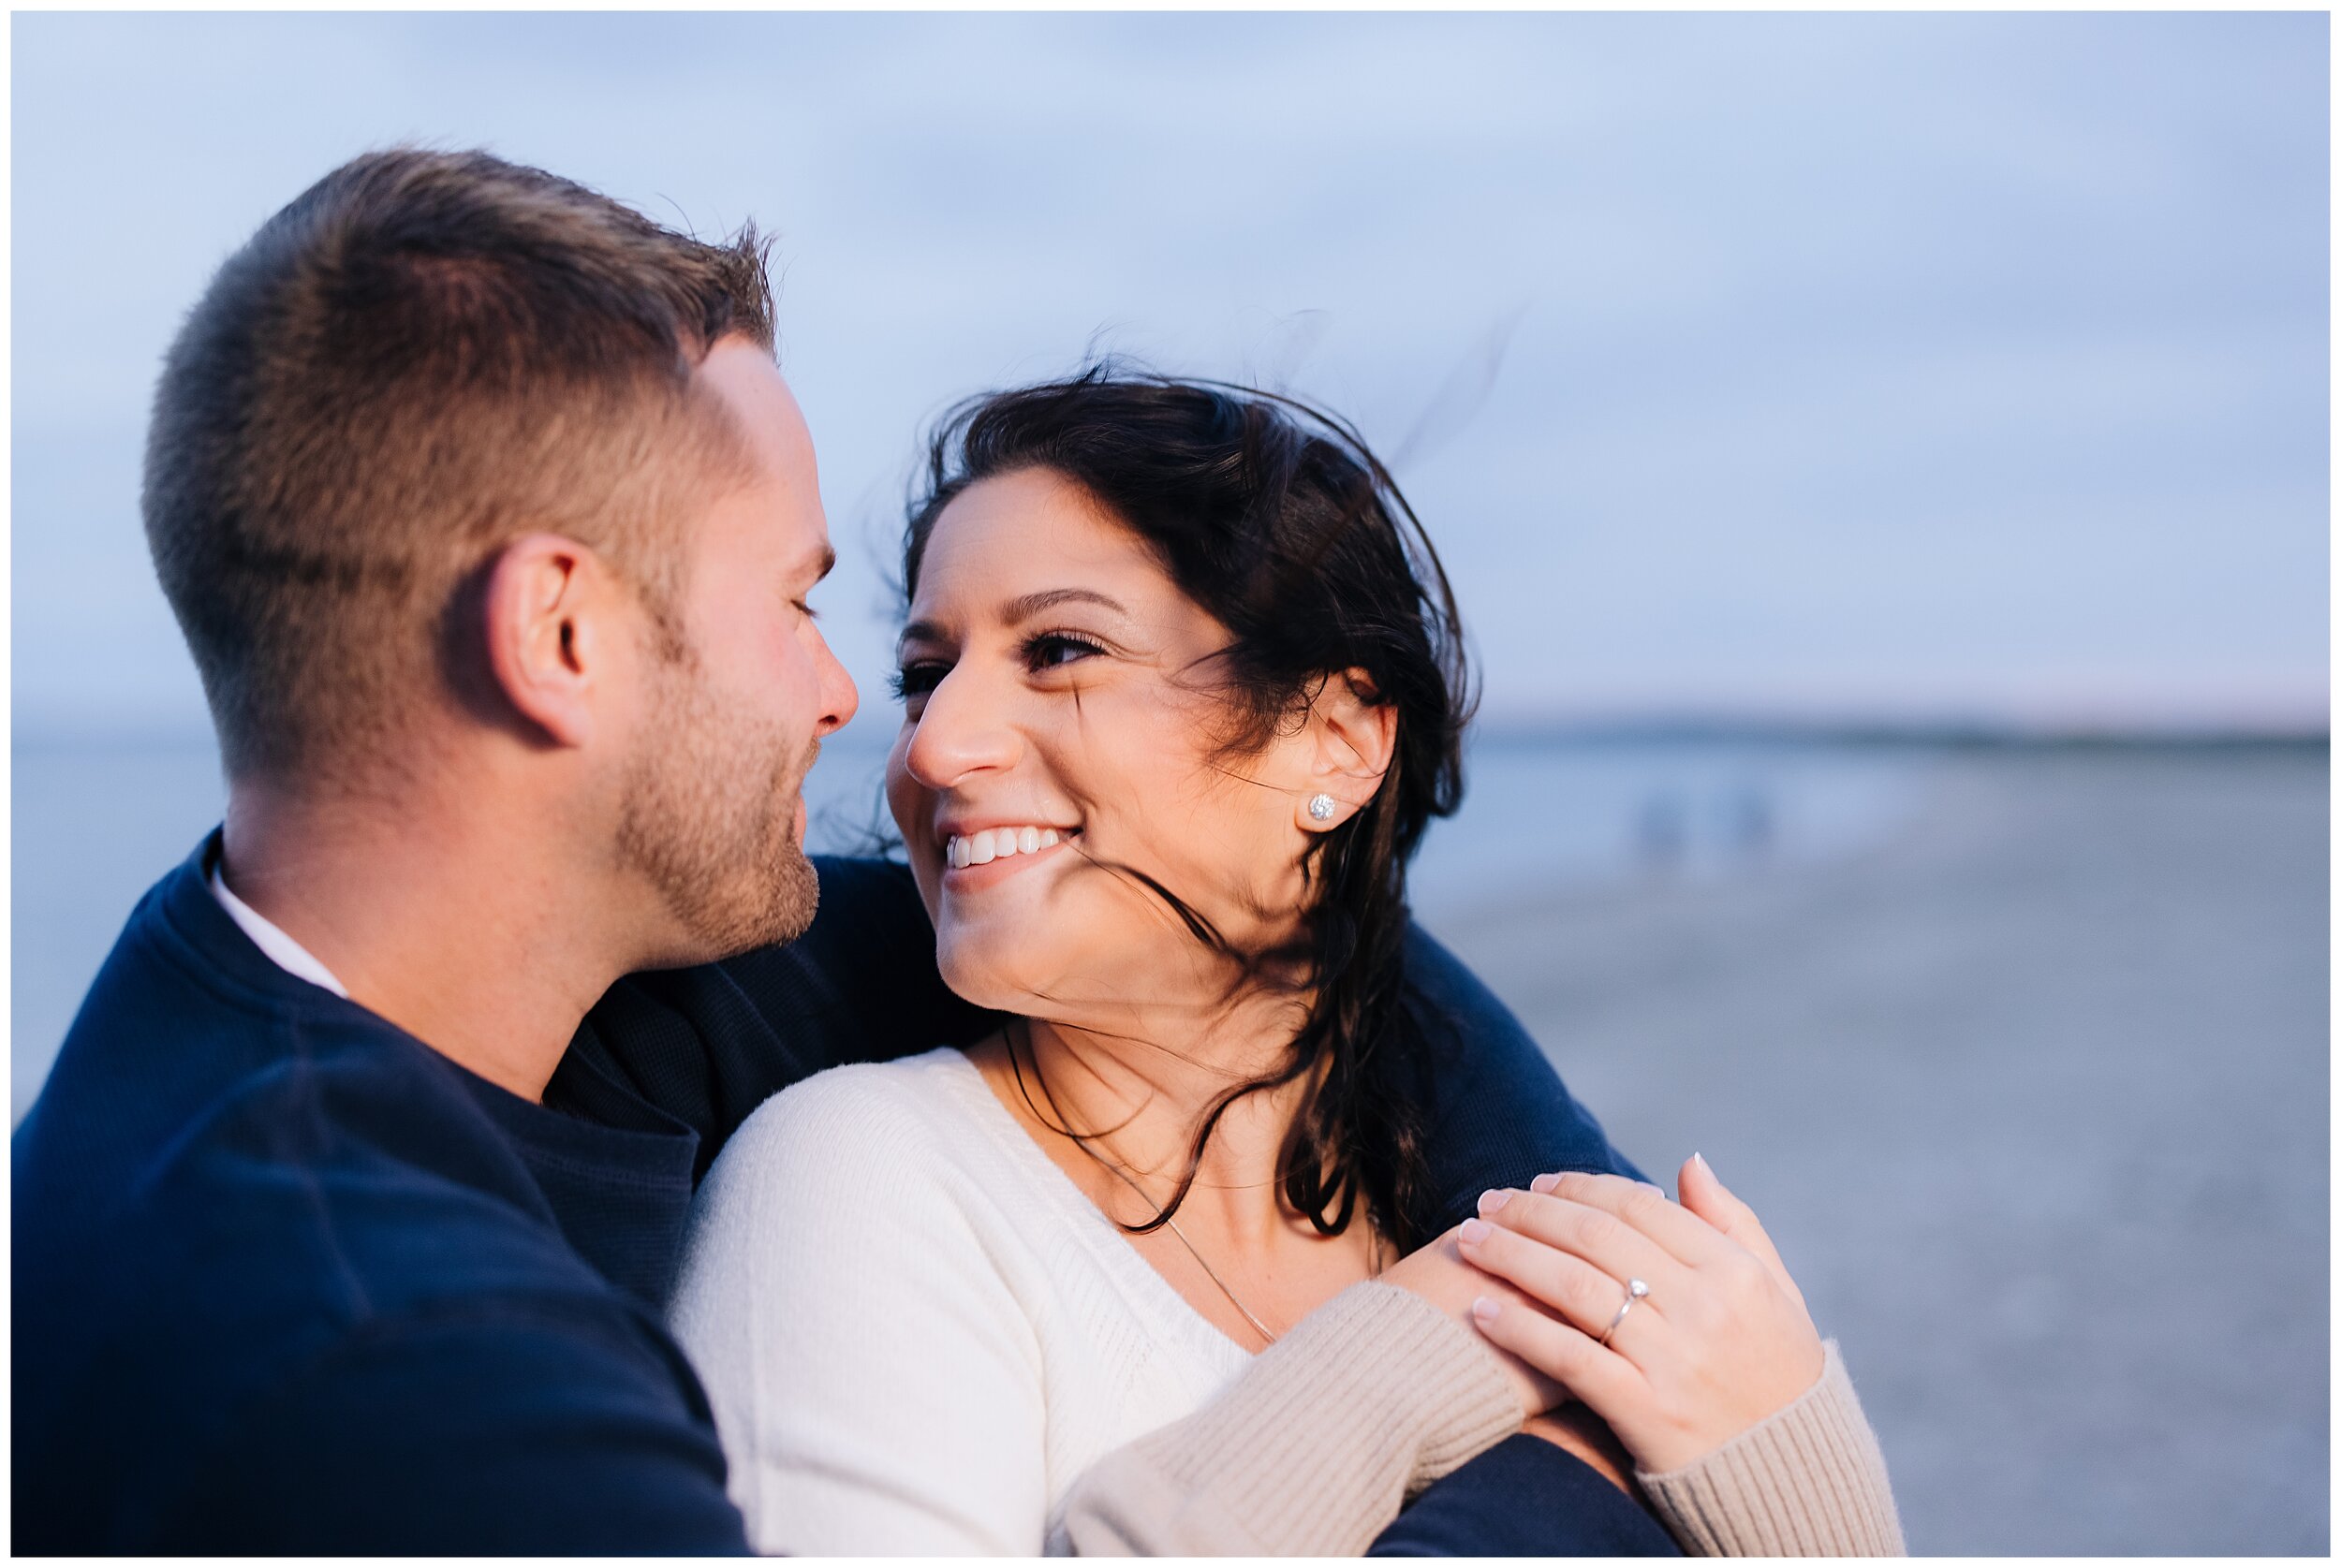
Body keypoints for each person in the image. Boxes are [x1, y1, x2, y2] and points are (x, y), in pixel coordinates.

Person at [14, 146, 1689, 1554]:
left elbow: (1278, 968)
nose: (866, 718)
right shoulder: (427, 1390)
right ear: (562, 636)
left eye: (1050, 652)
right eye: (805, 606)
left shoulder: (262, 996)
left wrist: (1601, 1248)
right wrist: (1569, 1473)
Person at [669, 374, 1907, 1555]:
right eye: (925, 676)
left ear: (1336, 740)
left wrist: (1792, 1445)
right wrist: (1393, 1369)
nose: (934, 747)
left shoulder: (1462, 1204)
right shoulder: (860, 1181)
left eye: (1058, 651)